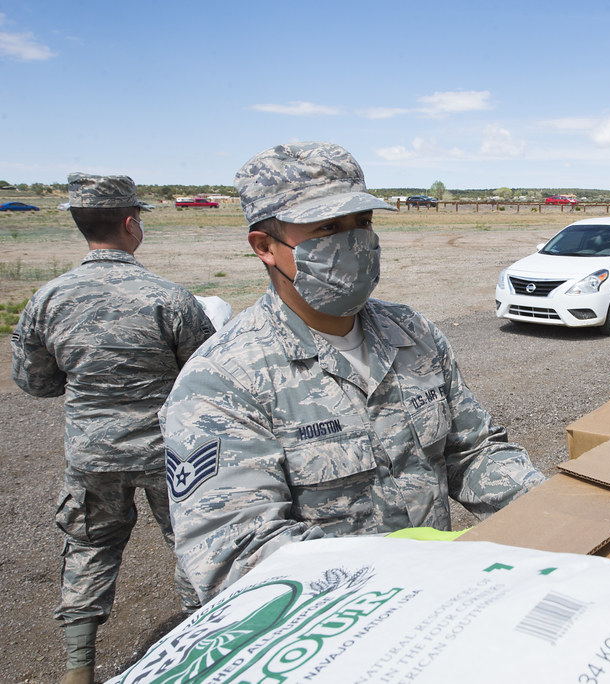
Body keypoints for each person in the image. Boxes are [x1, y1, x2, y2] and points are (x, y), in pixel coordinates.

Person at [159, 141, 545, 603]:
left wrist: (552, 516)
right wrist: (399, 577)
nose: (355, 243)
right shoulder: (223, 380)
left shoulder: (413, 333)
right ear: (265, 246)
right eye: (327, 229)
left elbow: (472, 452)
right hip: (332, 630)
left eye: (362, 223)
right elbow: (240, 556)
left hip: (437, 601)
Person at [10, 173, 215, 684]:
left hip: (92, 457)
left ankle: (77, 670)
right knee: (194, 545)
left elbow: (36, 384)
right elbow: (208, 377)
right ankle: (206, 648)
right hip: (170, 455)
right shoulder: (171, 299)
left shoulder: (48, 299)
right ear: (130, 224)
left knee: (89, 548)